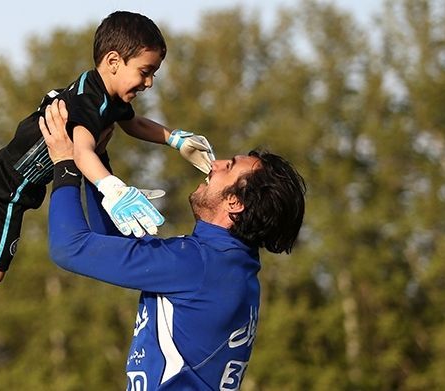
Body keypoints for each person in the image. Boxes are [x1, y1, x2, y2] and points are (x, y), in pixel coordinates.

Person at [0, 11, 214, 371]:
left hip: (9, 176)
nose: (150, 82)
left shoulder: (102, 94)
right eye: (145, 71)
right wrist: (112, 187)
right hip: (14, 187)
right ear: (113, 61)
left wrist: (174, 139)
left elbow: (133, 123)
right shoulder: (86, 104)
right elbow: (81, 151)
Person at [40, 99, 306, 390]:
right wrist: (97, 163)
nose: (214, 164)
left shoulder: (199, 264)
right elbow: (113, 245)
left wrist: (65, 163)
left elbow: (69, 248)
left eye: (227, 167)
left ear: (235, 202)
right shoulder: (225, 264)